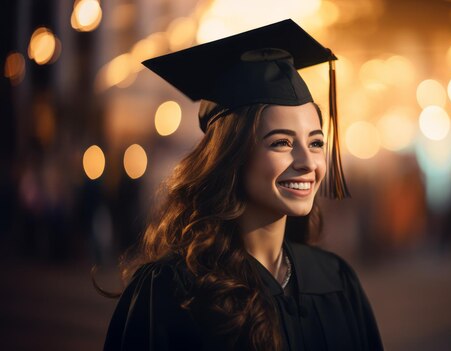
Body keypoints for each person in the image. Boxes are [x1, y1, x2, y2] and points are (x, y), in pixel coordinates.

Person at [102, 19, 384, 351]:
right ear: (232, 156)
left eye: (316, 143)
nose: (308, 163)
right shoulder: (170, 290)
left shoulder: (336, 281)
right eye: (281, 142)